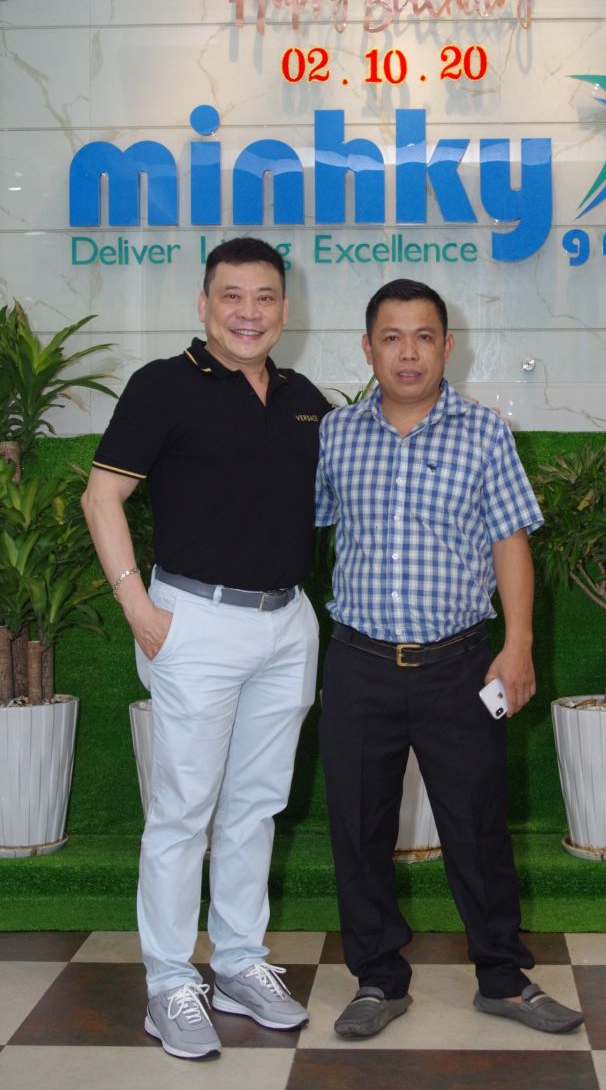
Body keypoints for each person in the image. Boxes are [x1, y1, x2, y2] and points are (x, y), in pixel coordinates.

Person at [314, 278, 584, 1040]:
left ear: (448, 346)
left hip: (460, 665)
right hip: (359, 662)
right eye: (391, 337)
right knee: (358, 830)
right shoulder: (335, 435)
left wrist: (518, 645)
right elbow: (302, 529)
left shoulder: (484, 433)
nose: (408, 352)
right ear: (368, 348)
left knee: (478, 827)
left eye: (424, 336)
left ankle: (502, 978)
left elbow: (510, 542)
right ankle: (377, 979)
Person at [81, 237, 331, 1060]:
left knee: (256, 805)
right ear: (204, 304)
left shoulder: (304, 398)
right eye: (232, 296)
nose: (248, 313)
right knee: (184, 810)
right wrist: (137, 607)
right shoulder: (163, 384)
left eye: (265, 297)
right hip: (193, 620)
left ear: (285, 308)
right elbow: (102, 496)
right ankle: (167, 982)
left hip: (286, 624)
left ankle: (238, 962)